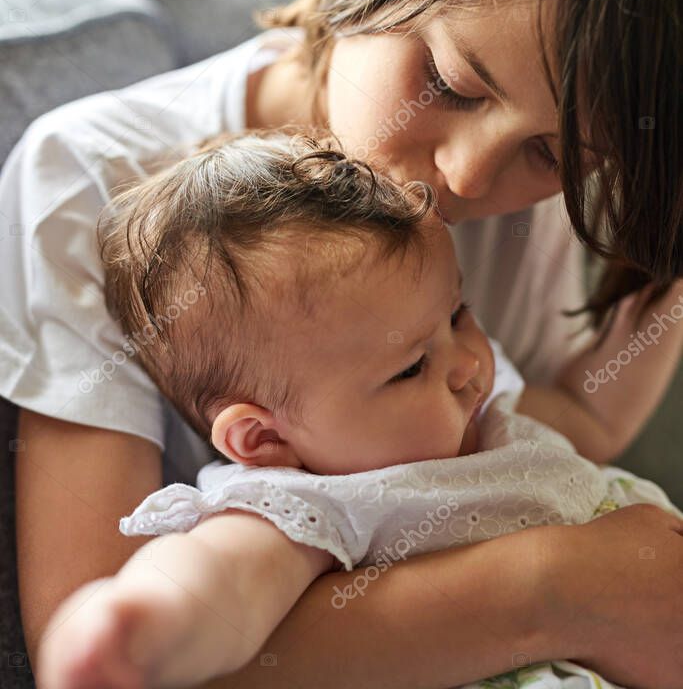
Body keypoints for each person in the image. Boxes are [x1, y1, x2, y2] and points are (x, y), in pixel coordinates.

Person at [3, 0, 682, 689]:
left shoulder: (520, 206)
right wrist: (561, 588)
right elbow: (104, 647)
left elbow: (560, 425)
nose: (467, 178)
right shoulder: (96, 179)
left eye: (546, 154)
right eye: (449, 83)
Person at [35, 131, 681, 689]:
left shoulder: (489, 416)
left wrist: (664, 293)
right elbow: (226, 581)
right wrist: (131, 625)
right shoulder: (311, 504)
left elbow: (587, 415)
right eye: (410, 368)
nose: (465, 362)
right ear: (262, 439)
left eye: (457, 315)